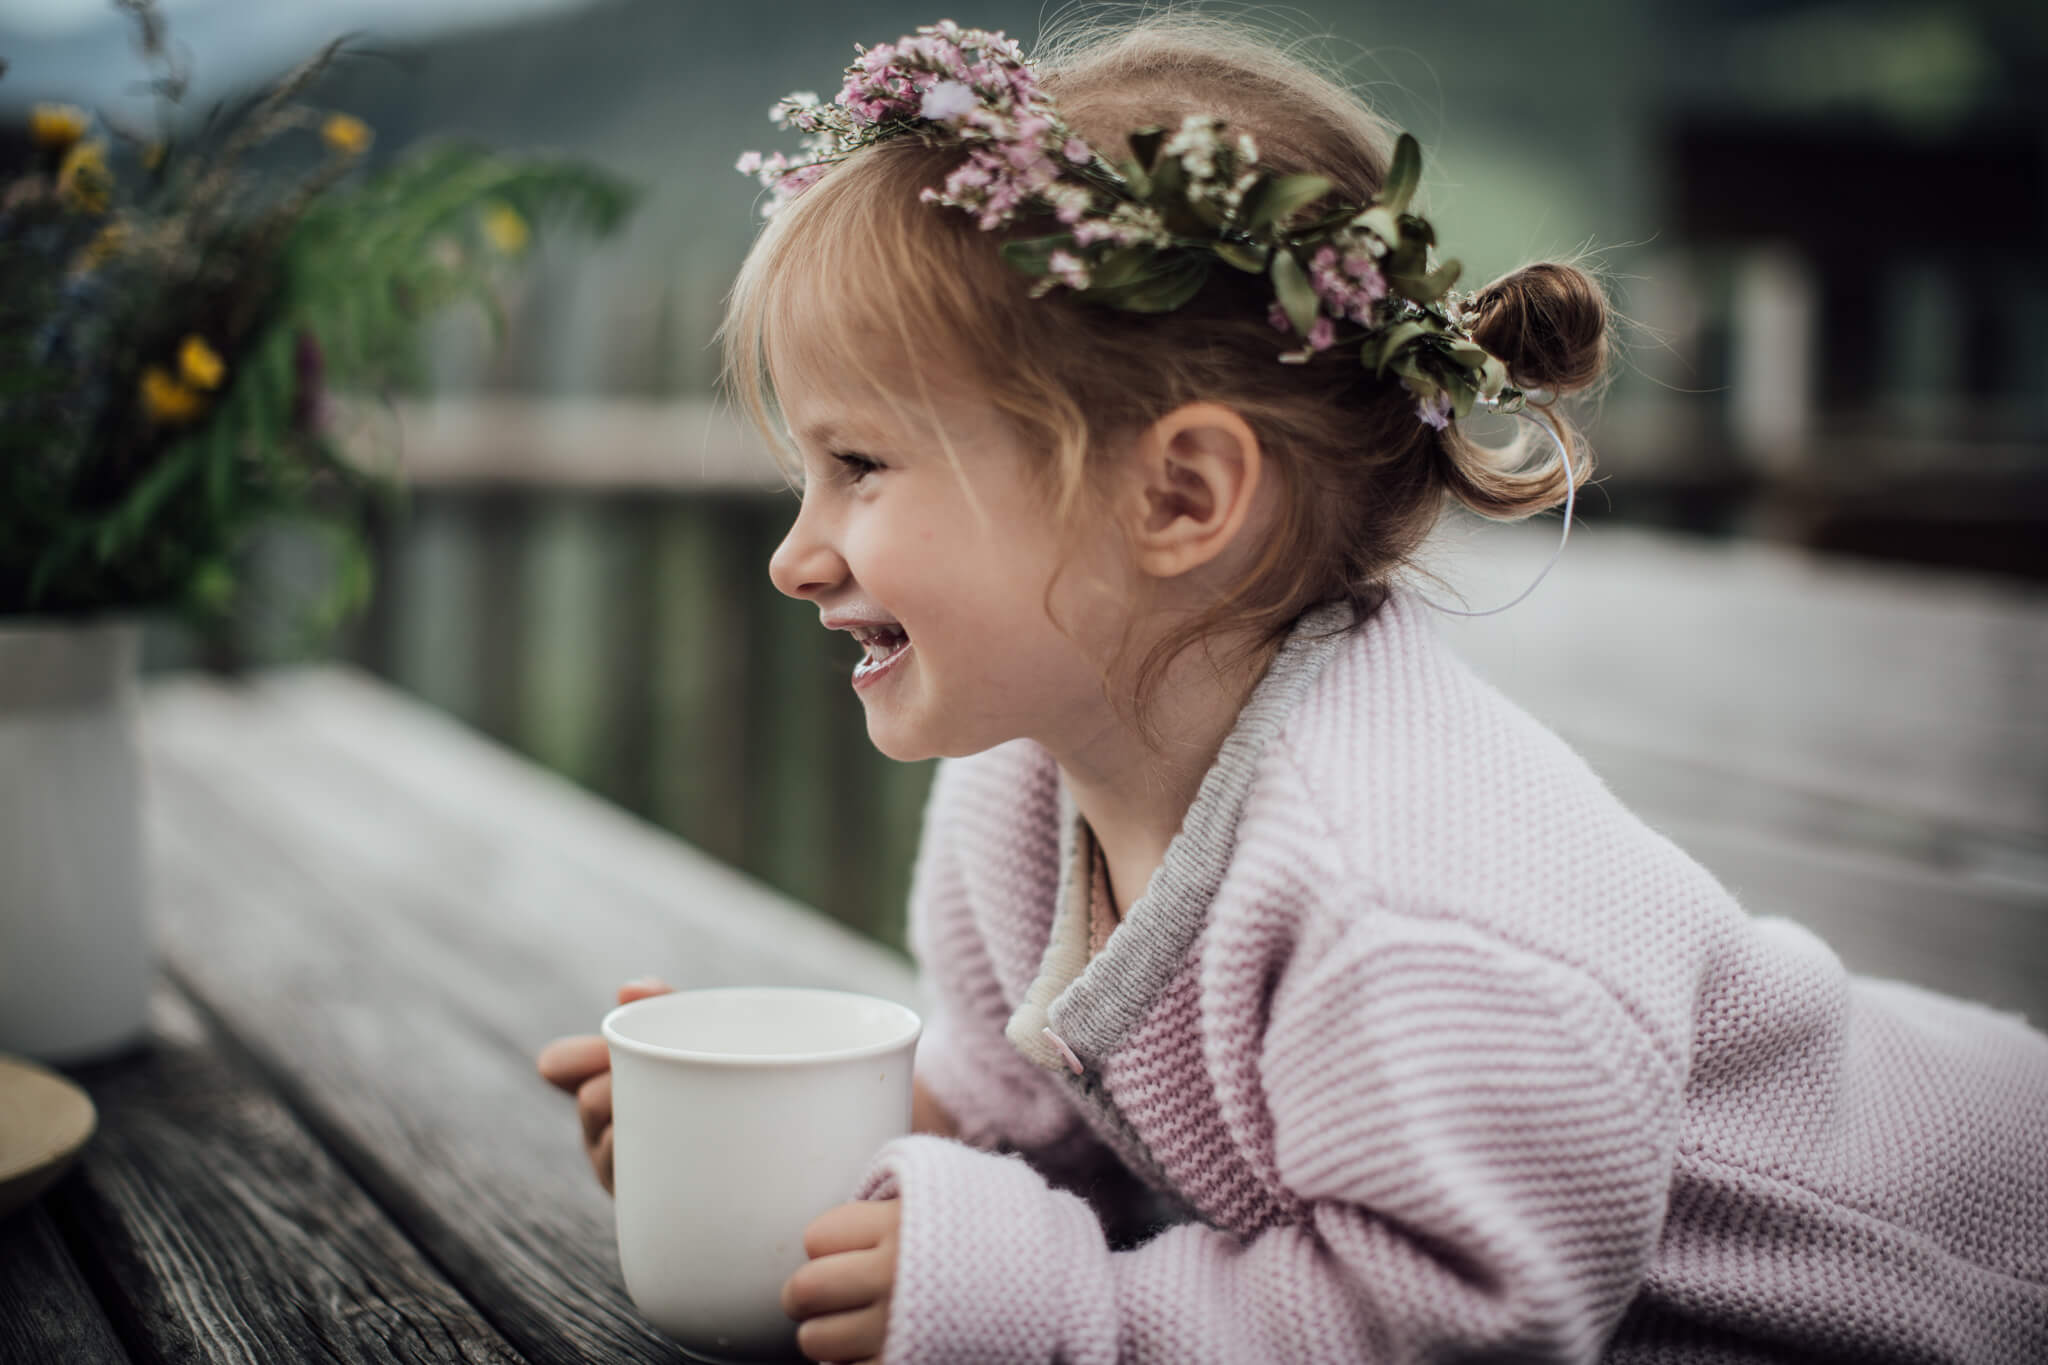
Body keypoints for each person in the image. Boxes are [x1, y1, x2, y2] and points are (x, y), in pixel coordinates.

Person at [537, 15, 2048, 1363]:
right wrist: (788, 1147)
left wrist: (1076, 1319)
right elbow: (1028, 1133)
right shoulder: (1028, 786)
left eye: (860, 465)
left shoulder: (1406, 896)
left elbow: (1458, 1319)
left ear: (1180, 497)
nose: (799, 552)